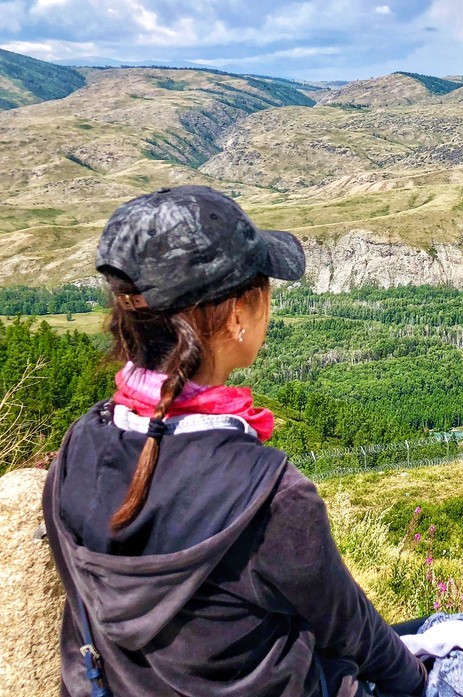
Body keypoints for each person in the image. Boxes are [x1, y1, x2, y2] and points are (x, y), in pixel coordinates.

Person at [42, 186, 429, 697]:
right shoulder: (268, 495)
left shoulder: (82, 444)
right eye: (264, 288)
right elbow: (350, 626)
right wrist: (417, 684)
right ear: (236, 316)